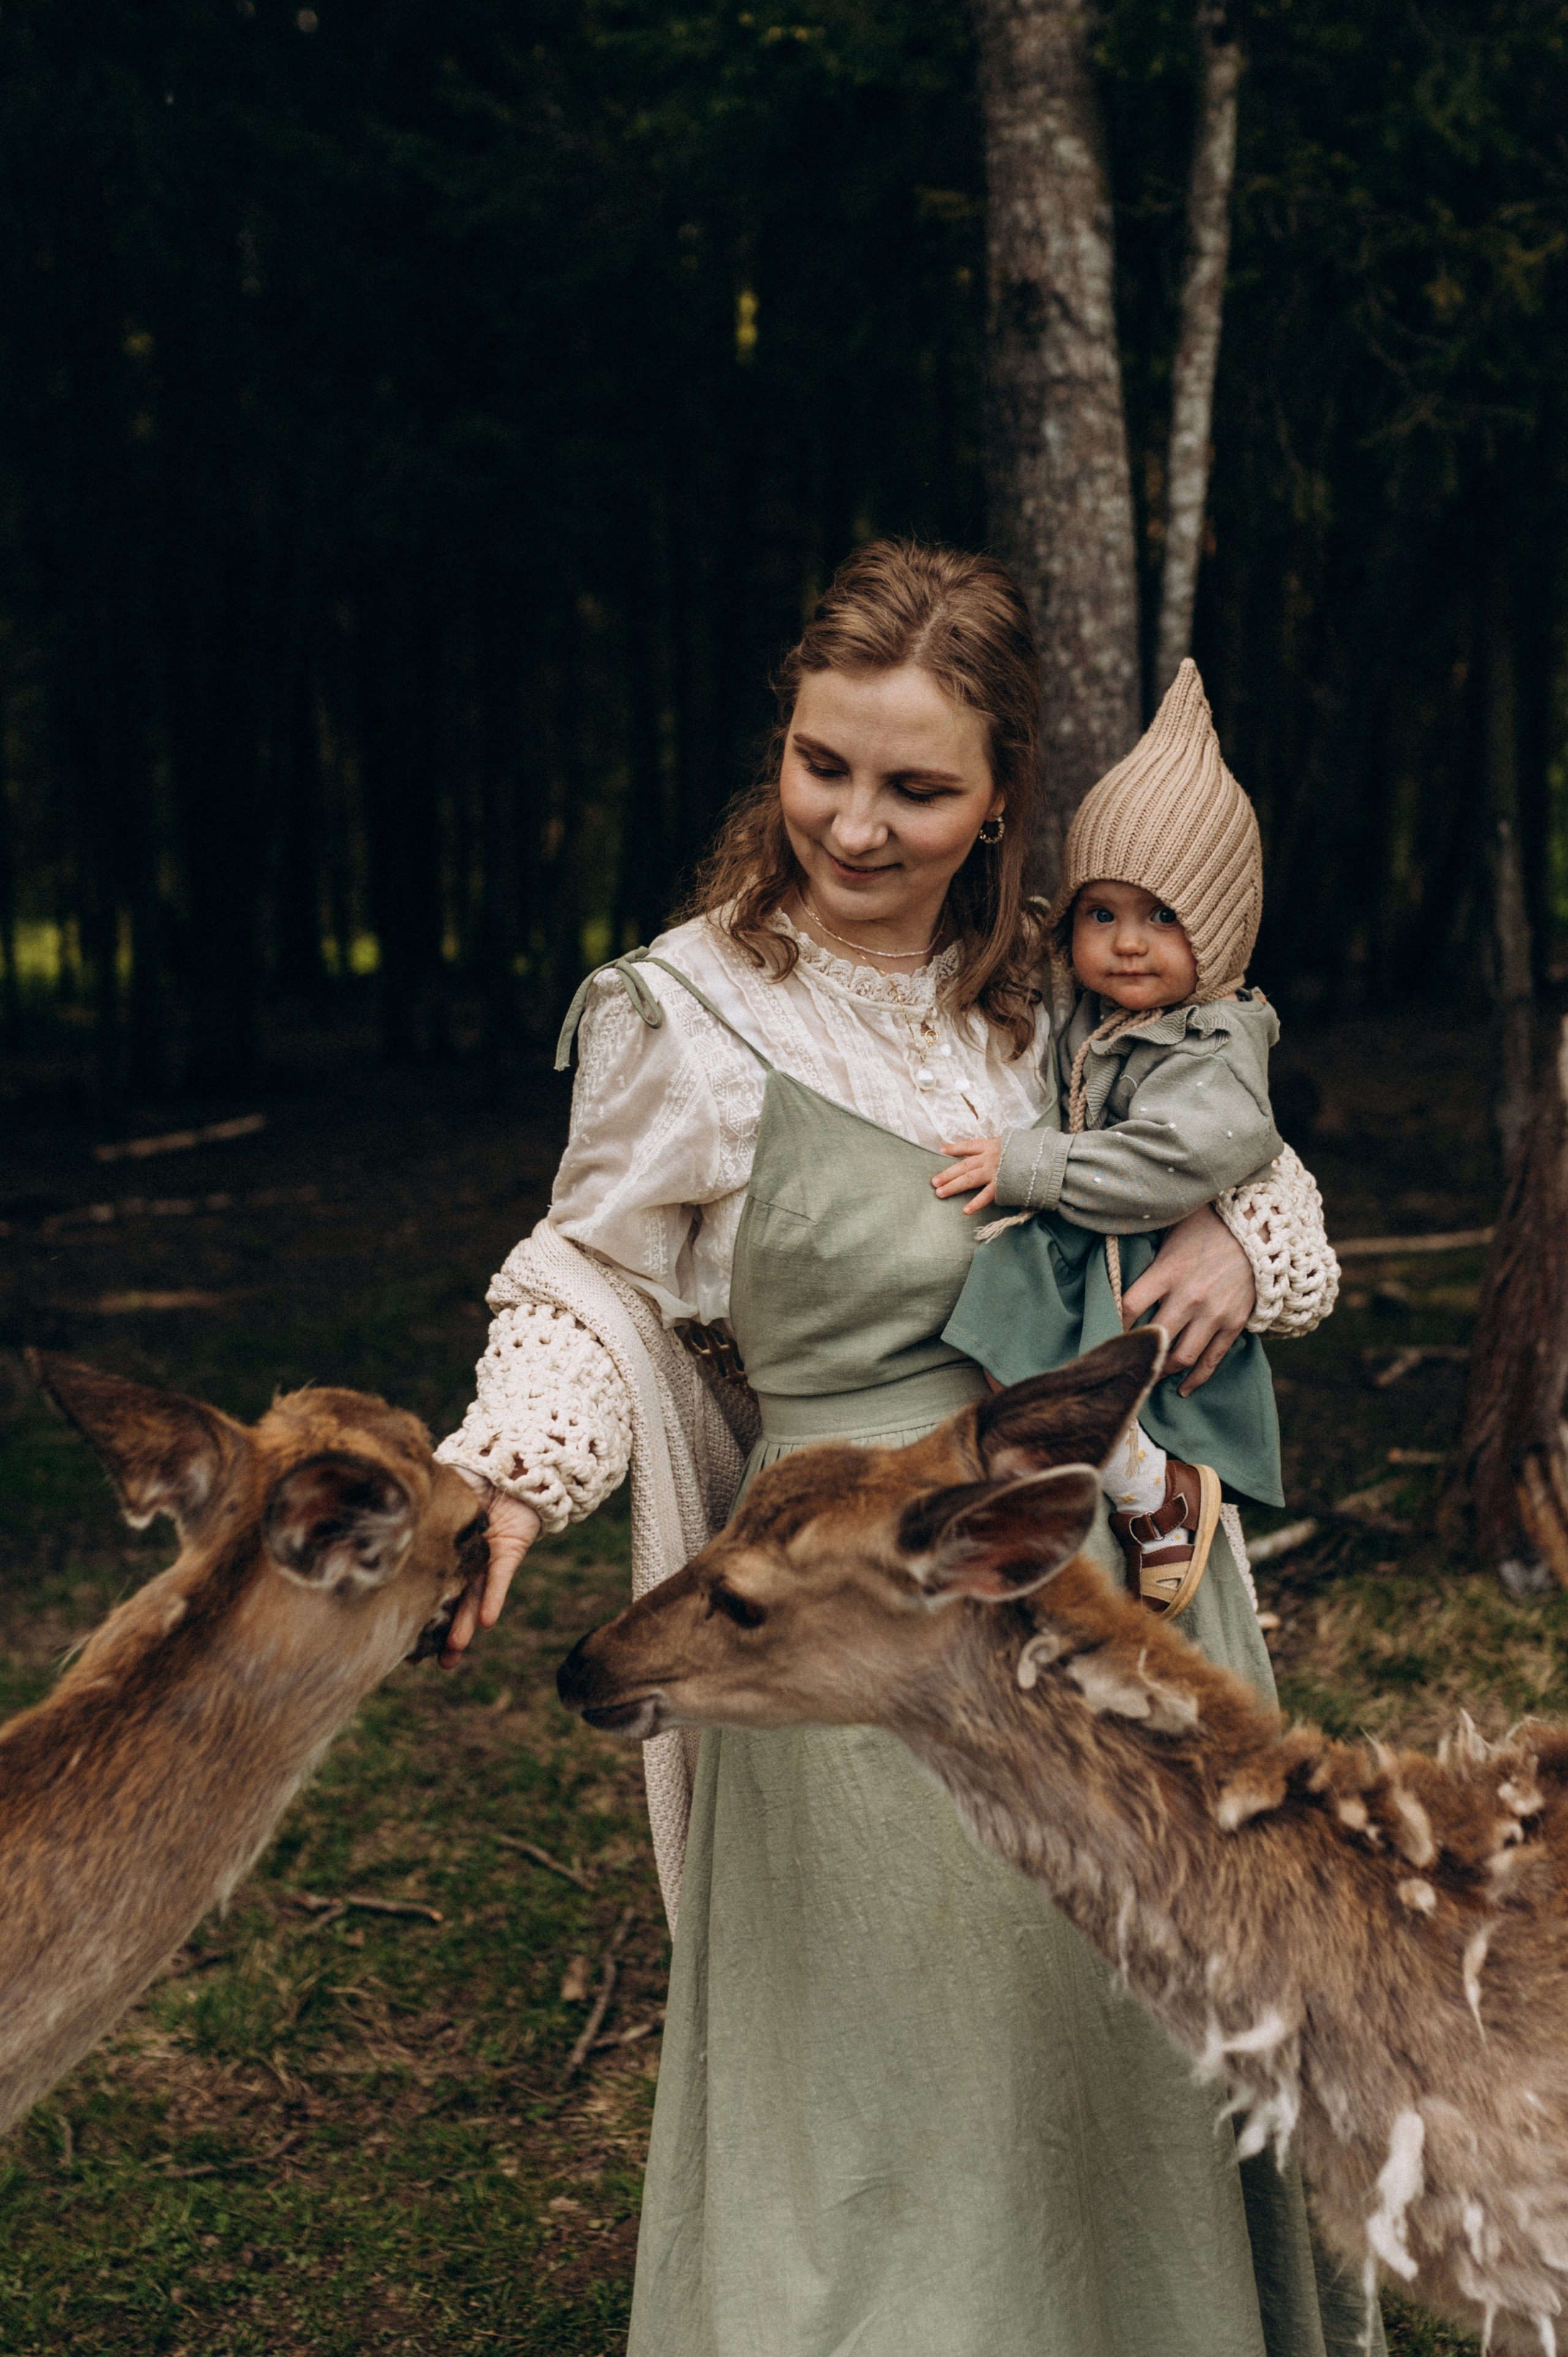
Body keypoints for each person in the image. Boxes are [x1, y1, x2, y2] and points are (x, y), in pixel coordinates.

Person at [436, 540, 1375, 2357]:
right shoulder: (687, 1013)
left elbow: (1259, 1166)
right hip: (858, 1622)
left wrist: (1227, 1248)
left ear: (1005, 794)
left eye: (917, 788)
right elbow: (588, 1279)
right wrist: (509, 1470)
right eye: (822, 767)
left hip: (1107, 1588)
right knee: (896, 2093)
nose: (854, 827)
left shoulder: (1067, 990)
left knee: (1114, 2036)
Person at [937, 660, 1328, 1618]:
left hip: (1136, 1250)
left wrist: (1030, 1165)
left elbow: (1181, 1158)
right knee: (1006, 1353)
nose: (1125, 942)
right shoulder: (1092, 1002)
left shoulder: (1220, 1042)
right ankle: (1081, 1481)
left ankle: (1154, 1487)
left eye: (1164, 917)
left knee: (1068, 1375)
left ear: (1224, 933)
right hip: (1084, 1241)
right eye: (1101, 914)